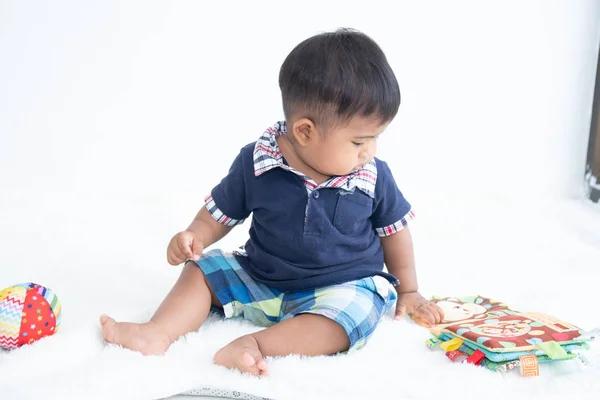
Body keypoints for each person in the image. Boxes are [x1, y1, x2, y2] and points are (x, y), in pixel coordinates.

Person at [100, 28, 444, 376]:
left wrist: (410, 290)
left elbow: (394, 232)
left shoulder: (371, 175)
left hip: (340, 288)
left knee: (354, 315)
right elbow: (220, 214)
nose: (369, 151)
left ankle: (256, 345)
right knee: (201, 271)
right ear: (305, 132)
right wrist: (194, 235)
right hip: (262, 279)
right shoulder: (257, 162)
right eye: (359, 141)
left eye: (375, 138)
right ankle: (158, 333)